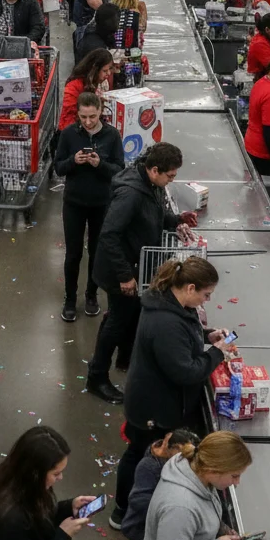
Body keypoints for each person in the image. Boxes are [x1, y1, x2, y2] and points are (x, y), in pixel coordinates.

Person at [112, 258, 232, 528]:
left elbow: (184, 335)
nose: (206, 300)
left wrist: (207, 336)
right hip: (152, 407)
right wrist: (217, 354)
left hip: (152, 399)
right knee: (140, 454)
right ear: (190, 288)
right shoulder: (165, 322)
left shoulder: (171, 303)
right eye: (206, 294)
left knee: (138, 451)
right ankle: (123, 511)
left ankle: (124, 507)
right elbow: (185, 371)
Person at [87, 143, 199, 404]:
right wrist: (125, 276)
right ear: (154, 170)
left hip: (136, 266)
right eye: (170, 176)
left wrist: (177, 219)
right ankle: (97, 377)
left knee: (124, 317)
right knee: (116, 322)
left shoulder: (152, 185)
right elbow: (109, 235)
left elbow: (156, 215)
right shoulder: (130, 195)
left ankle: (124, 359)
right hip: (120, 271)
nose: (172, 180)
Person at [0, 426, 96, 540]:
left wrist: (68, 506)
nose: (60, 477)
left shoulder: (19, 480)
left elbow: (38, 516)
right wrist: (62, 536)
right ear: (35, 473)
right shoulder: (10, 520)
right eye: (55, 473)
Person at [135, 431, 252, 540]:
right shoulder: (181, 507)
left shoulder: (196, 469)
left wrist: (220, 528)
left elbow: (202, 512)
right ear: (214, 468)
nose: (237, 482)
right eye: (234, 476)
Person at [54, 92, 125, 322]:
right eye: (83, 117)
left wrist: (99, 164)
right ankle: (70, 299)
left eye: (92, 117)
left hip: (101, 204)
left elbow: (119, 171)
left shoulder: (112, 135)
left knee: (97, 252)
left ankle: (92, 295)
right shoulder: (68, 135)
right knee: (73, 254)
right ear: (78, 114)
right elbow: (58, 168)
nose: (87, 122)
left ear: (100, 112)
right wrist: (73, 161)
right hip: (74, 203)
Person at [120, 429, 201, 540]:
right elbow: (137, 500)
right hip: (141, 527)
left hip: (161, 529)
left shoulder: (185, 465)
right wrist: (166, 508)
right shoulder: (149, 466)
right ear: (168, 449)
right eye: (181, 457)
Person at [59, 49, 114, 131]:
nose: (108, 73)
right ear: (94, 70)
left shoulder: (98, 84)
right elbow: (67, 120)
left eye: (110, 69)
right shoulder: (73, 87)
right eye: (105, 71)